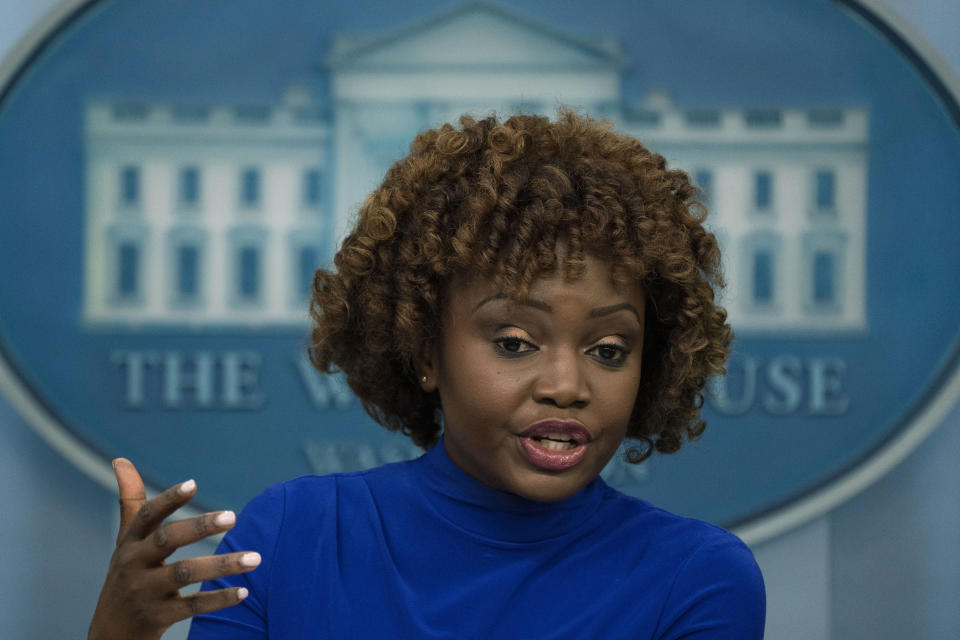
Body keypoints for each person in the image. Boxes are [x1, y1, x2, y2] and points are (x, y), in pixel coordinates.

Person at [88, 110, 765, 639]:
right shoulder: (291, 537)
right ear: (424, 351)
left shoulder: (697, 580)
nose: (568, 384)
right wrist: (120, 633)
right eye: (515, 341)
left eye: (610, 349)